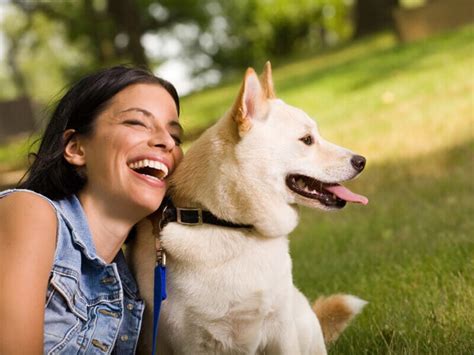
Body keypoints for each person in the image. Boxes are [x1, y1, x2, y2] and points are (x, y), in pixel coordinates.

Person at [0, 66, 183, 354]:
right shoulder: (29, 213)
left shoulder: (131, 291)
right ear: (76, 148)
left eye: (176, 136)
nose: (167, 142)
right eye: (137, 122)